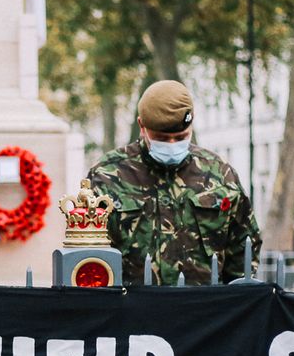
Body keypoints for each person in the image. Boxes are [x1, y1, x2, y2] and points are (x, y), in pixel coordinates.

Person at [86, 80, 261, 285]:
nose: (172, 144)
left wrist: (233, 302)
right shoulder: (107, 176)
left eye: (180, 137)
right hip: (132, 310)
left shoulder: (219, 175)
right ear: (142, 126)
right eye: (161, 138)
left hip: (205, 309)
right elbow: (90, 253)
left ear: (192, 125)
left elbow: (244, 246)